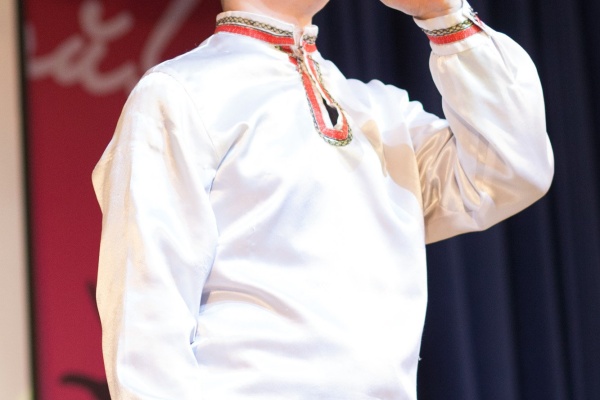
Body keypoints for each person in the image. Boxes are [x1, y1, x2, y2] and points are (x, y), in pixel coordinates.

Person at [92, 0, 554, 398]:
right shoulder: (181, 93)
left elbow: (511, 169)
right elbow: (146, 319)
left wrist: (442, 13)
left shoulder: (379, 113)